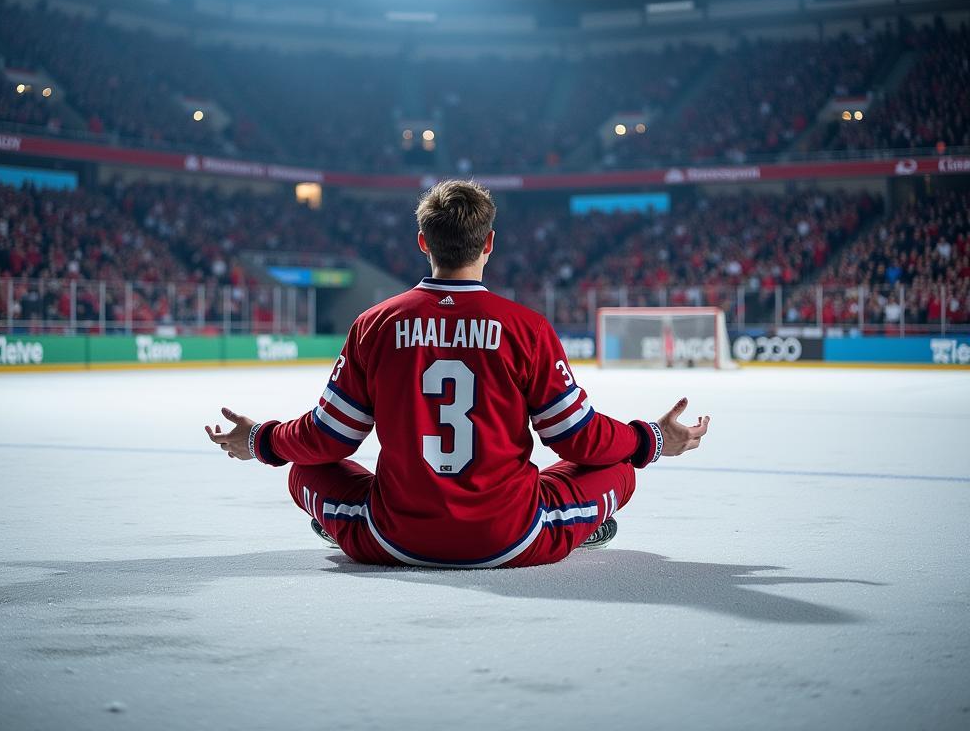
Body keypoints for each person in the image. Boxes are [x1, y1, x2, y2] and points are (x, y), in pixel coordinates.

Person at [205, 180, 710, 568]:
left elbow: (328, 439)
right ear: (489, 243)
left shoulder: (375, 323)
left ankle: (339, 524)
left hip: (392, 538)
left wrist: (260, 439)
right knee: (619, 467)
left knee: (302, 468)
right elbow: (579, 439)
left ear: (422, 241)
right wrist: (652, 439)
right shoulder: (526, 327)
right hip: (514, 539)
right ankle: (583, 524)